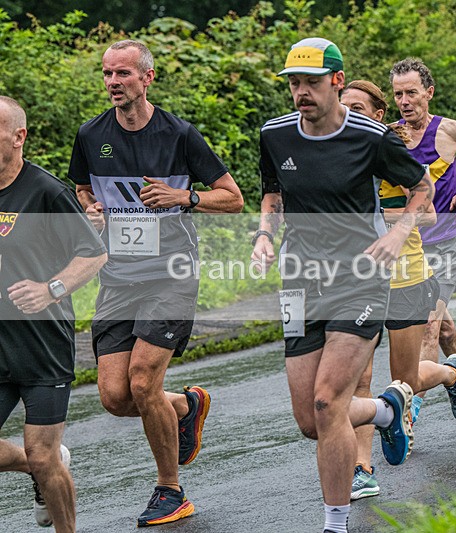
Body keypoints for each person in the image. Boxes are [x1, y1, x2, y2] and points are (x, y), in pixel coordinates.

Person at [251, 38, 434, 533]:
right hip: (300, 281)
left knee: (328, 402)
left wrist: (398, 232)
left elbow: (422, 186)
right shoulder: (274, 135)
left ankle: (335, 523)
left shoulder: (371, 137)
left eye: (311, 82)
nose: (301, 92)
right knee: (309, 421)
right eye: (294, 83)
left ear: (336, 81)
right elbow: (272, 192)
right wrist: (265, 234)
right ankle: (387, 410)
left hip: (360, 279)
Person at [68, 40, 244, 526]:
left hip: (171, 274)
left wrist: (184, 197)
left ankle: (171, 489)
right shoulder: (91, 134)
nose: (112, 82)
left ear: (147, 78)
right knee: (115, 397)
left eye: (123, 73)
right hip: (118, 277)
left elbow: (233, 198)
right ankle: (185, 406)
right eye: (107, 74)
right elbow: (82, 188)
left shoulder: (179, 134)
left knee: (144, 381)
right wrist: (91, 208)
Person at [341, 80, 456, 501]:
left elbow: (430, 214)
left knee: (408, 378)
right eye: (344, 107)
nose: (349, 115)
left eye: (358, 109)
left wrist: (381, 220)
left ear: (377, 115)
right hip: (358, 279)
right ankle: (363, 469)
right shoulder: (335, 157)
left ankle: (455, 374)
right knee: (360, 377)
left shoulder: (390, 153)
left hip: (405, 274)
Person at [0, 96, 107, 532]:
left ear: (18, 137)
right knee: (39, 459)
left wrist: (50, 289)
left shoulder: (46, 192)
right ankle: (36, 466)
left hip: (41, 344)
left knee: (44, 455)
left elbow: (93, 254)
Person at [389, 58, 456, 426]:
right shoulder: (391, 137)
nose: (405, 101)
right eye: (398, 95)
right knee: (446, 331)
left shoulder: (451, 130)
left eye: (412, 93)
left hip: (447, 241)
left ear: (429, 93)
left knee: (429, 327)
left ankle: (408, 411)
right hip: (411, 249)